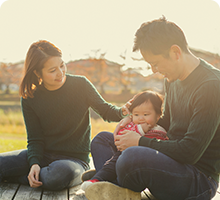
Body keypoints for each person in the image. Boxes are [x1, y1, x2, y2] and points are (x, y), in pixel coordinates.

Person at [84, 16, 220, 200]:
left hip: (197, 178)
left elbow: (190, 152)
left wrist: (140, 142)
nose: (153, 70)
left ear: (175, 52)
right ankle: (111, 183)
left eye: (155, 63)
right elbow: (165, 122)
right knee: (102, 140)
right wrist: (132, 123)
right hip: (169, 158)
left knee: (131, 157)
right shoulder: (172, 80)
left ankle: (108, 177)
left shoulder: (210, 86)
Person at [0, 40, 129, 191]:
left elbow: (107, 111)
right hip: (43, 155)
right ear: (37, 72)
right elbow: (35, 138)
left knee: (57, 175)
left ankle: (20, 177)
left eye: (62, 65)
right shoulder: (30, 98)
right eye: (52, 70)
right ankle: (34, 173)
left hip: (73, 162)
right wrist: (34, 163)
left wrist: (124, 111)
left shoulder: (81, 85)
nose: (60, 73)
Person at [81, 90, 168, 191]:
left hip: (135, 167)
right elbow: (122, 135)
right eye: (136, 115)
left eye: (145, 114)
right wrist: (129, 118)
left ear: (158, 115)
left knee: (120, 157)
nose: (140, 118)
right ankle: (107, 176)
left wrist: (139, 130)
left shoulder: (157, 132)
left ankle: (99, 178)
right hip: (123, 160)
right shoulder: (136, 123)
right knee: (101, 138)